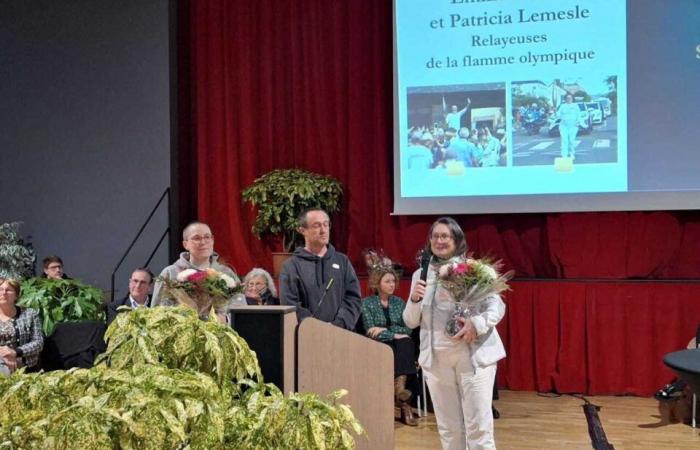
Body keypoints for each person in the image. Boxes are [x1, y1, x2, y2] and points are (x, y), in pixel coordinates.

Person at [403, 217, 506, 450]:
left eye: (445, 236)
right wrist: (414, 298)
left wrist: (476, 324)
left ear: (457, 240)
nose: (439, 241)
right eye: (435, 236)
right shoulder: (421, 274)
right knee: (449, 429)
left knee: (479, 427)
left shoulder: (475, 269)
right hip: (437, 361)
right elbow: (410, 321)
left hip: (473, 357)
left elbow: (496, 306)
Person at [279, 208, 361, 330]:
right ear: (303, 230)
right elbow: (290, 303)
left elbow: (353, 298)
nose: (323, 230)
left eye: (326, 224)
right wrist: (315, 327)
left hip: (341, 335)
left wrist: (339, 324)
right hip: (307, 336)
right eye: (316, 226)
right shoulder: (291, 266)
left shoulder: (342, 261)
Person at [361, 257, 418, 426]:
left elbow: (407, 329)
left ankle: (400, 393)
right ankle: (403, 403)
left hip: (400, 347)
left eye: (394, 281)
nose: (392, 284)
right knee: (398, 344)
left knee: (406, 342)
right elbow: (370, 331)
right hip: (378, 347)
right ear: (377, 283)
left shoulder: (399, 303)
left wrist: (384, 331)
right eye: (387, 281)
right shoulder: (367, 303)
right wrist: (392, 335)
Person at [151, 221, 240, 324]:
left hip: (220, 334)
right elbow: (157, 312)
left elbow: (240, 310)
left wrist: (226, 320)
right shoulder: (170, 273)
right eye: (197, 238)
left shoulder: (226, 273)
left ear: (212, 240)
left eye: (207, 237)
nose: (203, 242)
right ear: (185, 244)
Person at [0, 278, 44, 376]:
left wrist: (15, 352)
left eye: (8, 290)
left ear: (16, 295)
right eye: (0, 289)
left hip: (27, 367)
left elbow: (38, 342)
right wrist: (5, 356)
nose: (4, 293)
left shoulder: (30, 314)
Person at [556, 94, 580, 160]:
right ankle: (564, 155)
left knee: (571, 140)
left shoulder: (575, 106)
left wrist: (578, 122)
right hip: (563, 126)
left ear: (572, 99)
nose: (569, 99)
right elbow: (558, 115)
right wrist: (555, 112)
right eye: (567, 98)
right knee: (564, 140)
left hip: (573, 126)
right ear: (565, 99)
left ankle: (572, 154)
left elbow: (578, 115)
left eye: (570, 98)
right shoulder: (562, 106)